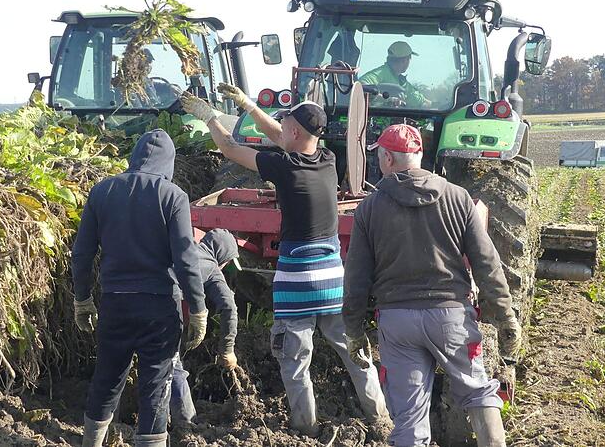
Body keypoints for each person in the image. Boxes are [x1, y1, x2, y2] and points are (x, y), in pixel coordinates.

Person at [180, 84, 389, 437]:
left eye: (286, 123)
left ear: (294, 130)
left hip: (296, 284)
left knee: (294, 362)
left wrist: (211, 118)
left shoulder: (283, 166)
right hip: (333, 282)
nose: (282, 129)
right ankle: (380, 419)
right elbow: (283, 135)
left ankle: (306, 430)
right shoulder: (327, 160)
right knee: (355, 353)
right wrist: (247, 107)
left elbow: (231, 149)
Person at [342, 124, 522, 447]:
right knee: (479, 392)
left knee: (409, 417)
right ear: (420, 155)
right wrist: (507, 318)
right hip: (451, 317)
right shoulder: (459, 198)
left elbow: (356, 278)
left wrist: (353, 330)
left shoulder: (369, 208)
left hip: (397, 324)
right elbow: (487, 264)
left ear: (386, 158)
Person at [71, 130, 209, 447]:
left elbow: (81, 254)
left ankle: (91, 443)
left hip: (115, 305)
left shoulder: (103, 191)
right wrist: (198, 308)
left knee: (107, 379)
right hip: (160, 308)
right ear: (169, 163)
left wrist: (83, 300)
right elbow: (186, 259)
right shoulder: (173, 196)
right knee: (154, 386)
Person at [170, 228, 241, 427]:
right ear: (222, 256)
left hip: (133, 295)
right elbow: (229, 307)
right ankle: (186, 424)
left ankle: (106, 421)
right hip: (163, 304)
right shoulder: (212, 267)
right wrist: (227, 350)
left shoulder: (185, 248)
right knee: (172, 363)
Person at [359, 41, 430, 108]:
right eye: (409, 59)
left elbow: (418, 100)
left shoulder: (402, 81)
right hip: (376, 117)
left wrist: (432, 104)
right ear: (405, 60)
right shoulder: (382, 73)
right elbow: (361, 86)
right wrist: (388, 99)